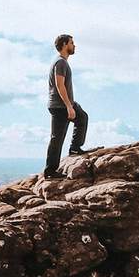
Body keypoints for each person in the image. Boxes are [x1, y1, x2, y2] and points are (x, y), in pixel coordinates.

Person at [43, 34, 99, 178]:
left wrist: (71, 105)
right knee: (57, 138)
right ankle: (50, 172)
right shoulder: (60, 62)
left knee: (82, 117)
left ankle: (75, 148)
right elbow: (59, 85)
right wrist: (68, 106)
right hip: (59, 106)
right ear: (64, 45)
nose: (74, 45)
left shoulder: (62, 62)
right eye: (72, 43)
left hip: (64, 104)